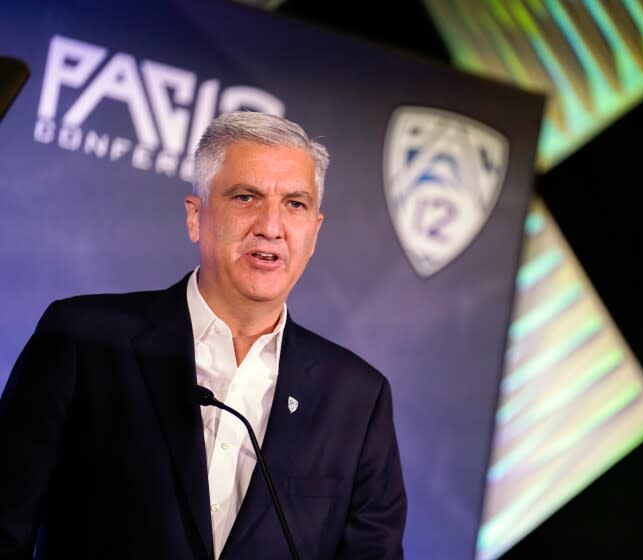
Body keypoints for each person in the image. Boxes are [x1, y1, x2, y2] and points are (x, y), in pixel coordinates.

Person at [0, 111, 407, 559]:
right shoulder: (85, 340)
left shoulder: (358, 398)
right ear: (196, 216)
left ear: (314, 233)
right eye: (246, 197)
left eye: (295, 204)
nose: (271, 226)